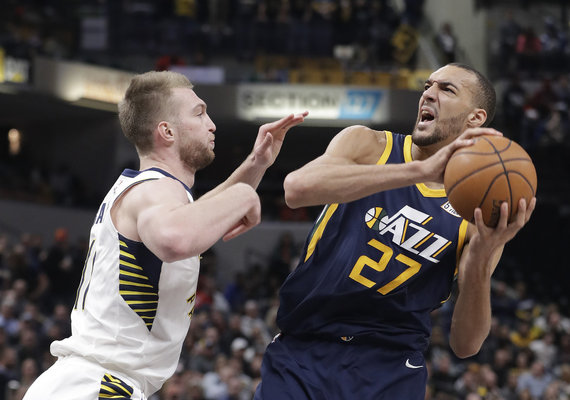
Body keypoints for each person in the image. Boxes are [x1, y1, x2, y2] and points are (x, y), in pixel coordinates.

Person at [254, 63, 536, 399]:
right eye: (428, 85)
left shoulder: (477, 211)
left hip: (391, 369)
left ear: (475, 119)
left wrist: (481, 256)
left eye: (447, 90)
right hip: (304, 351)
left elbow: (466, 345)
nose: (429, 94)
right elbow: (297, 189)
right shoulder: (370, 145)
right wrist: (417, 171)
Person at [23, 70, 308, 399]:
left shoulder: (150, 189)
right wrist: (244, 197)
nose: (212, 124)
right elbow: (174, 239)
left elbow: (193, 216)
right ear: (167, 131)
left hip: (89, 382)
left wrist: (257, 163)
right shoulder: (155, 191)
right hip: (100, 386)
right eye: (199, 113)